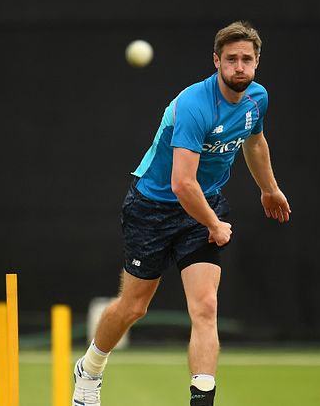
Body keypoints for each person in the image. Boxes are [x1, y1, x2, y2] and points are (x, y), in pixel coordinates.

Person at [72, 21, 291, 406]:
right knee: (134, 307)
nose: (239, 67)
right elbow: (181, 184)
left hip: (203, 205)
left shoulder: (258, 99)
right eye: (231, 59)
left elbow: (254, 143)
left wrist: (269, 189)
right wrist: (214, 224)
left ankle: (201, 399)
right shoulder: (193, 105)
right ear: (216, 61)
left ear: (257, 62)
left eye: (247, 59)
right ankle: (89, 370)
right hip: (153, 208)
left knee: (206, 307)